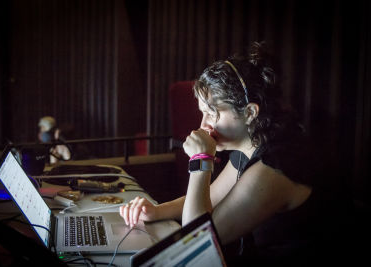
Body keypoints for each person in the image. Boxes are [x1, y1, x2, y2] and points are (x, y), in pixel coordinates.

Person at [120, 42, 344, 265]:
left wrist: (200, 162)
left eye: (212, 114)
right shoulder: (251, 144)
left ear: (249, 113)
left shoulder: (274, 169)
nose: (203, 125)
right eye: (202, 113)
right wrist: (156, 212)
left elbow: (197, 242)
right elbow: (212, 198)